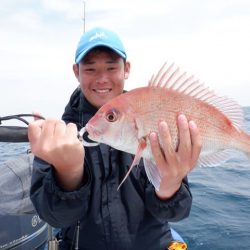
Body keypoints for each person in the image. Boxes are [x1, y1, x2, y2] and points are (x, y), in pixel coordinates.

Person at [28, 27, 202, 250]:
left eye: (111, 67)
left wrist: (170, 186)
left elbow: (178, 212)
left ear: (126, 69)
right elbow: (56, 218)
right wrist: (68, 172)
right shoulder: (61, 137)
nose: (102, 79)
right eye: (90, 68)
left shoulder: (153, 120)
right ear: (76, 71)